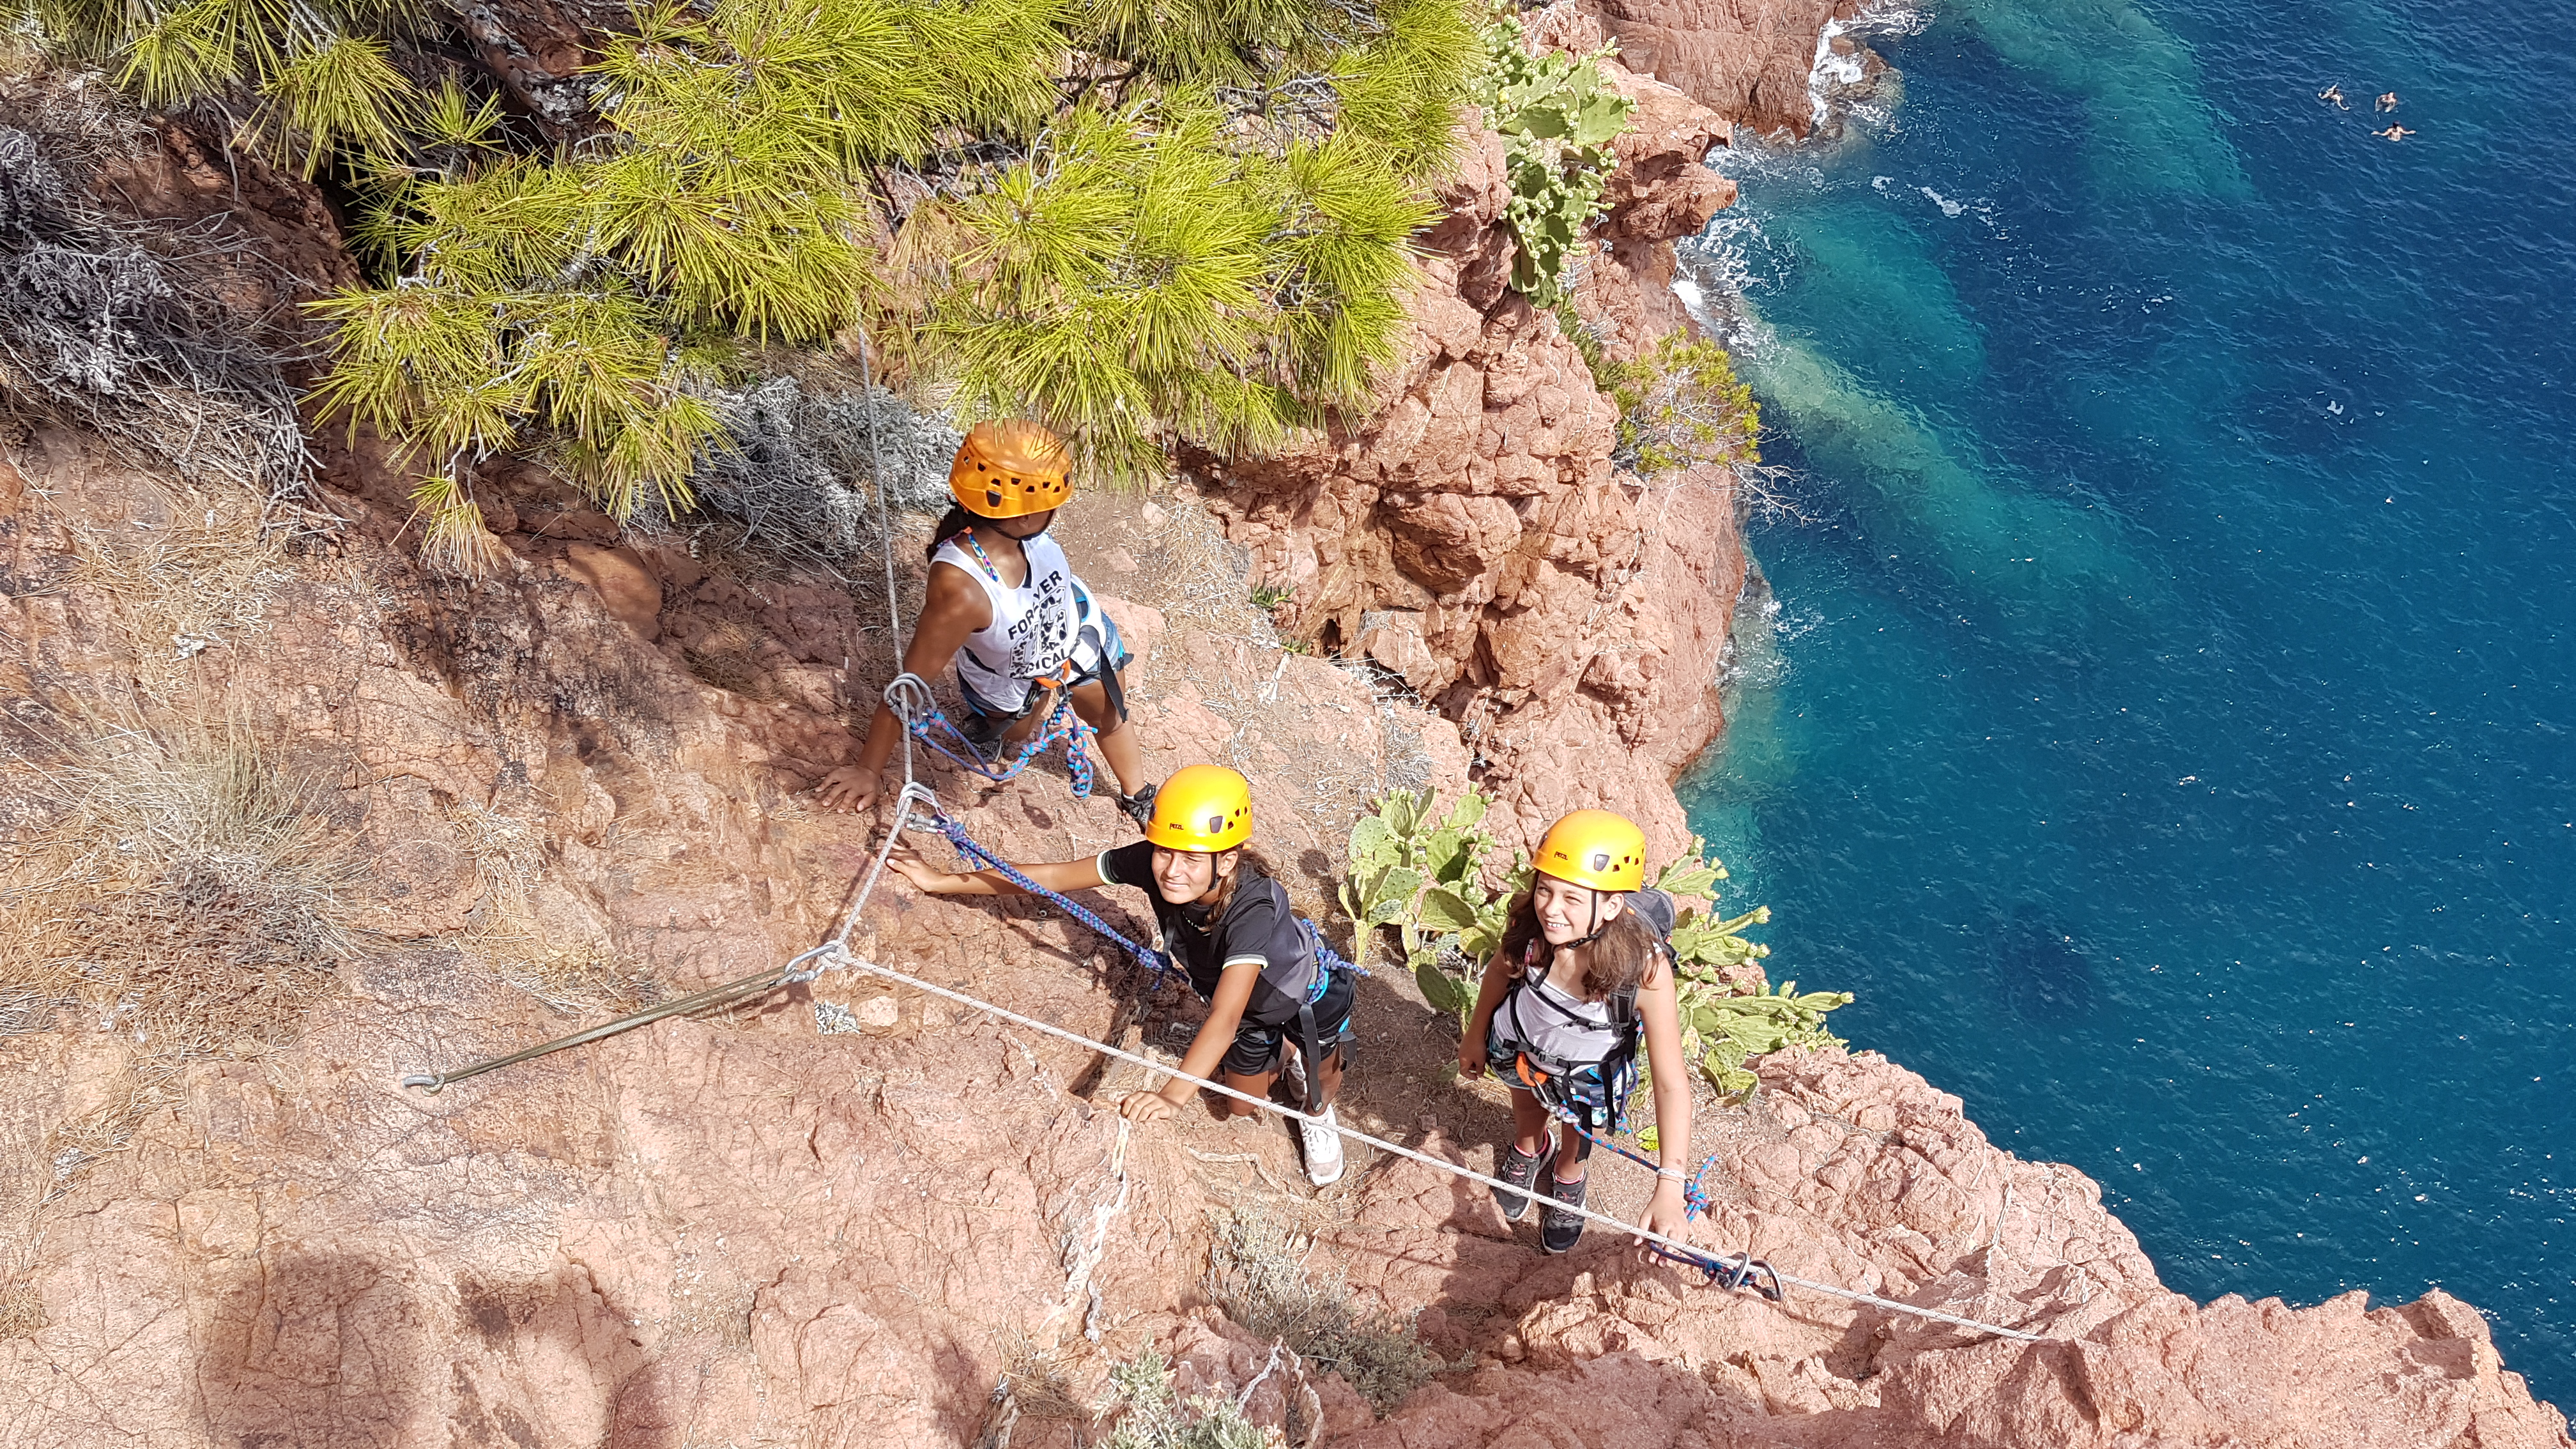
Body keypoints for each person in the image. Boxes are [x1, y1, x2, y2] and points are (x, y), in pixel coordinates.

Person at [885, 764, 1357, 1186]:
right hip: (1254, 1014)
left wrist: (1173, 1096)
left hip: (1309, 997)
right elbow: (1049, 877)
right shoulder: (1156, 863)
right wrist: (940, 881)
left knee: (1313, 1077)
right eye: (1164, 853)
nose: (1172, 871)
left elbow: (1224, 1017)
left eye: (1192, 859)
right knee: (1241, 1106)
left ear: (1226, 860)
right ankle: (1284, 1052)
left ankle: (1317, 1105)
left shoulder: (1251, 908)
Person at [819, 419, 1151, 823]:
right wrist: (868, 770)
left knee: (1108, 717)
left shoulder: (1022, 534)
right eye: (1052, 506)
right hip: (1010, 669)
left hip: (1071, 639)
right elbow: (911, 681)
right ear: (1026, 518)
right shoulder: (962, 591)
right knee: (1016, 733)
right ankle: (1002, 717)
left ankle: (1138, 794)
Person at [1460, 809, 1695, 1256]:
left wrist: (1671, 1185)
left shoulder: (1643, 972)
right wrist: (1475, 1035)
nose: (1551, 907)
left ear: (1611, 906)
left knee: (1580, 1129)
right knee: (1526, 1107)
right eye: (1545, 889)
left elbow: (1671, 1082)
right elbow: (1498, 971)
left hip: (1588, 1075)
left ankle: (1569, 1172)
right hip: (1519, 1046)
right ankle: (1531, 1147)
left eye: (1572, 897)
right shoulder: (1531, 933)